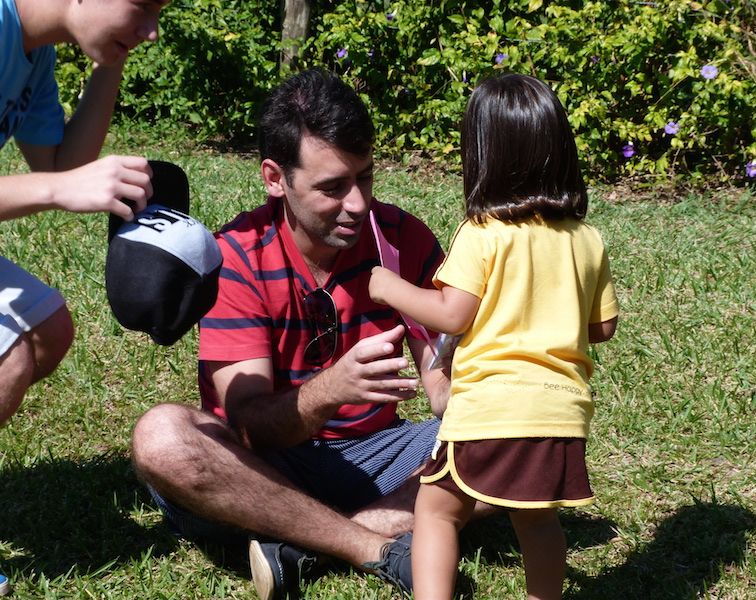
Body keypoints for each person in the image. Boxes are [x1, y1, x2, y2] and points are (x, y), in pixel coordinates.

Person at [130, 69, 452, 600]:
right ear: (275, 178)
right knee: (162, 438)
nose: (357, 203)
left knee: (517, 428)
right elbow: (251, 428)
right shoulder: (236, 257)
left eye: (365, 178)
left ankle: (304, 545)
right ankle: (372, 545)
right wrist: (334, 388)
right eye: (332, 187)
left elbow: (439, 380)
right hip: (264, 469)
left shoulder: (402, 238)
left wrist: (459, 394)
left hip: (381, 457)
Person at [368, 73, 620, 600]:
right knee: (537, 519)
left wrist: (391, 287)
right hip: (560, 412)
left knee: (437, 510)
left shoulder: (483, 232)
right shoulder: (586, 238)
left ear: (481, 154)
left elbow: (451, 314)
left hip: (492, 408)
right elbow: (603, 327)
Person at [1, 0, 169, 592]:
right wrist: (58, 188)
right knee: (8, 354)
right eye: (142, 7)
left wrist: (112, 58)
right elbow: (59, 181)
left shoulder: (32, 50)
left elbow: (61, 161)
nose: (152, 30)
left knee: (48, 329)